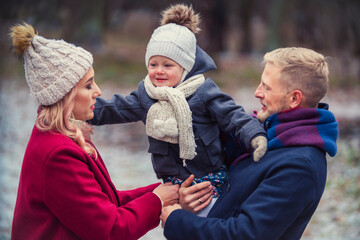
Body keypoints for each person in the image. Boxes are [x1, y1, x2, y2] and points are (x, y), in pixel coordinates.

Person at [90, 4, 267, 216]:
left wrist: (255, 135)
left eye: (167, 65)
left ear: (185, 67)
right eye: (153, 64)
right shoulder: (146, 95)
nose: (159, 71)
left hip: (209, 179)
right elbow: (115, 108)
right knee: (178, 225)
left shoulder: (203, 92)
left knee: (208, 223)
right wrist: (81, 109)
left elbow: (233, 116)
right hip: (173, 183)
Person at [10, 22, 179, 240]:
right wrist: (157, 201)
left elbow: (106, 204)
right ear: (66, 94)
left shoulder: (66, 134)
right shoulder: (58, 154)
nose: (98, 91)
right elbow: (110, 230)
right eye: (88, 85)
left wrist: (166, 191)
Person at [160, 47, 339, 240]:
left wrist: (177, 220)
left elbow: (244, 234)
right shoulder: (264, 135)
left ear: (294, 98)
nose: (257, 92)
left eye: (267, 87)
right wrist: (191, 202)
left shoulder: (300, 165)